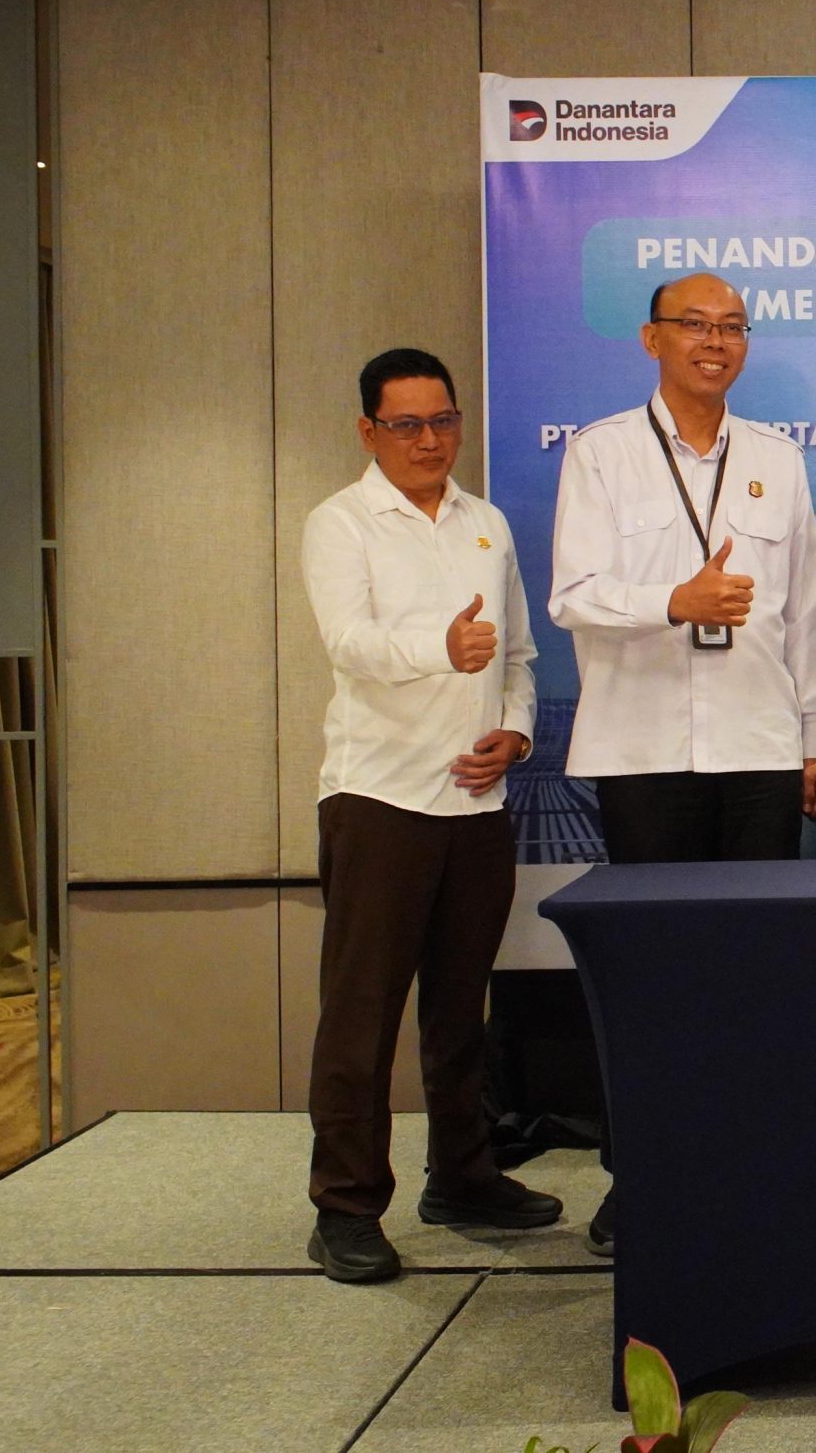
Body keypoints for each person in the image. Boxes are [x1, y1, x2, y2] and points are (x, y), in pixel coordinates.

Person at [546, 272, 816, 1253]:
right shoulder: (601, 453)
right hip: (645, 754)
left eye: (731, 328)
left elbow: (808, 609)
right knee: (652, 975)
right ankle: (641, 1178)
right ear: (652, 339)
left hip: (758, 748)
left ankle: (749, 1168)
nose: (714, 342)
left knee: (755, 971)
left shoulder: (776, 458)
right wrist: (672, 601)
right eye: (694, 325)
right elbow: (573, 594)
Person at [299, 348, 560, 1284]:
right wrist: (440, 648)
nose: (428, 440)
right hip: (379, 797)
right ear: (368, 431)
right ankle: (344, 1206)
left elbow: (519, 654)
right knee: (362, 1014)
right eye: (406, 424)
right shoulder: (341, 522)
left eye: (442, 420)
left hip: (476, 800)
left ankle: (462, 1175)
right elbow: (350, 642)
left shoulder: (486, 522)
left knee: (461, 1008)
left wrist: (516, 733)